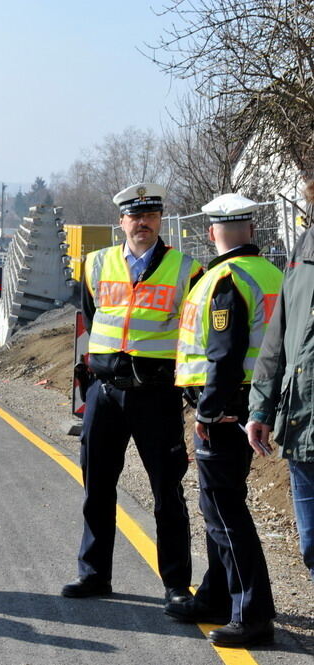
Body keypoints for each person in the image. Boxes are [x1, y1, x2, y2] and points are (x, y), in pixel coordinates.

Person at [62, 183, 201, 605]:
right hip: (105, 393)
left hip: (156, 395)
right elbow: (92, 316)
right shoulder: (95, 264)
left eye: (151, 216)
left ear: (160, 220)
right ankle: (93, 575)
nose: (143, 224)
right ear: (121, 221)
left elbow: (192, 332)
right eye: (135, 217)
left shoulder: (185, 268)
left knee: (167, 492)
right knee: (97, 487)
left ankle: (176, 586)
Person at [169, 194, 280, 648]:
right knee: (222, 505)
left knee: (223, 510)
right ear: (251, 231)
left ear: (212, 232)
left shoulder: (225, 279)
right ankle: (216, 596)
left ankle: (252, 614)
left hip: (227, 405)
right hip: (258, 401)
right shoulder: (273, 273)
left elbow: (225, 352)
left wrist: (210, 411)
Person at [247, 179, 314, 587]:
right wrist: (261, 406)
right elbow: (279, 335)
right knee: (311, 545)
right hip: (303, 419)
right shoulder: (304, 248)